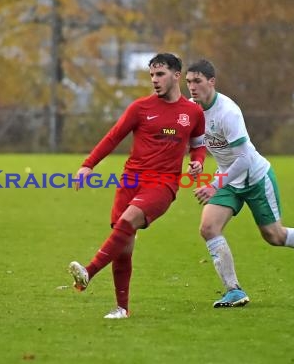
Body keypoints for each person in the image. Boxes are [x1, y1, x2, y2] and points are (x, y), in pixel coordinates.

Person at [185, 59, 294, 308]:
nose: (192, 87)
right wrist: (198, 164)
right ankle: (234, 290)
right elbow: (198, 144)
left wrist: (215, 185)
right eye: (189, 82)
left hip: (255, 177)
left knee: (274, 236)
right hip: (228, 179)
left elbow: (245, 158)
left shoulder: (228, 112)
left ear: (211, 82)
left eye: (197, 81)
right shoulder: (192, 110)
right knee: (208, 228)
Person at [68, 53, 206, 319]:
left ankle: (89, 271)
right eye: (152, 75)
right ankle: (122, 308)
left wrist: (197, 162)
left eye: (160, 74)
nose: (154, 80)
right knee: (123, 245)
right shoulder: (140, 108)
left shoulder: (193, 112)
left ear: (176, 75)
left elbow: (199, 146)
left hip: (163, 184)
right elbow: (113, 137)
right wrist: (88, 164)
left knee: (128, 220)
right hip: (131, 181)